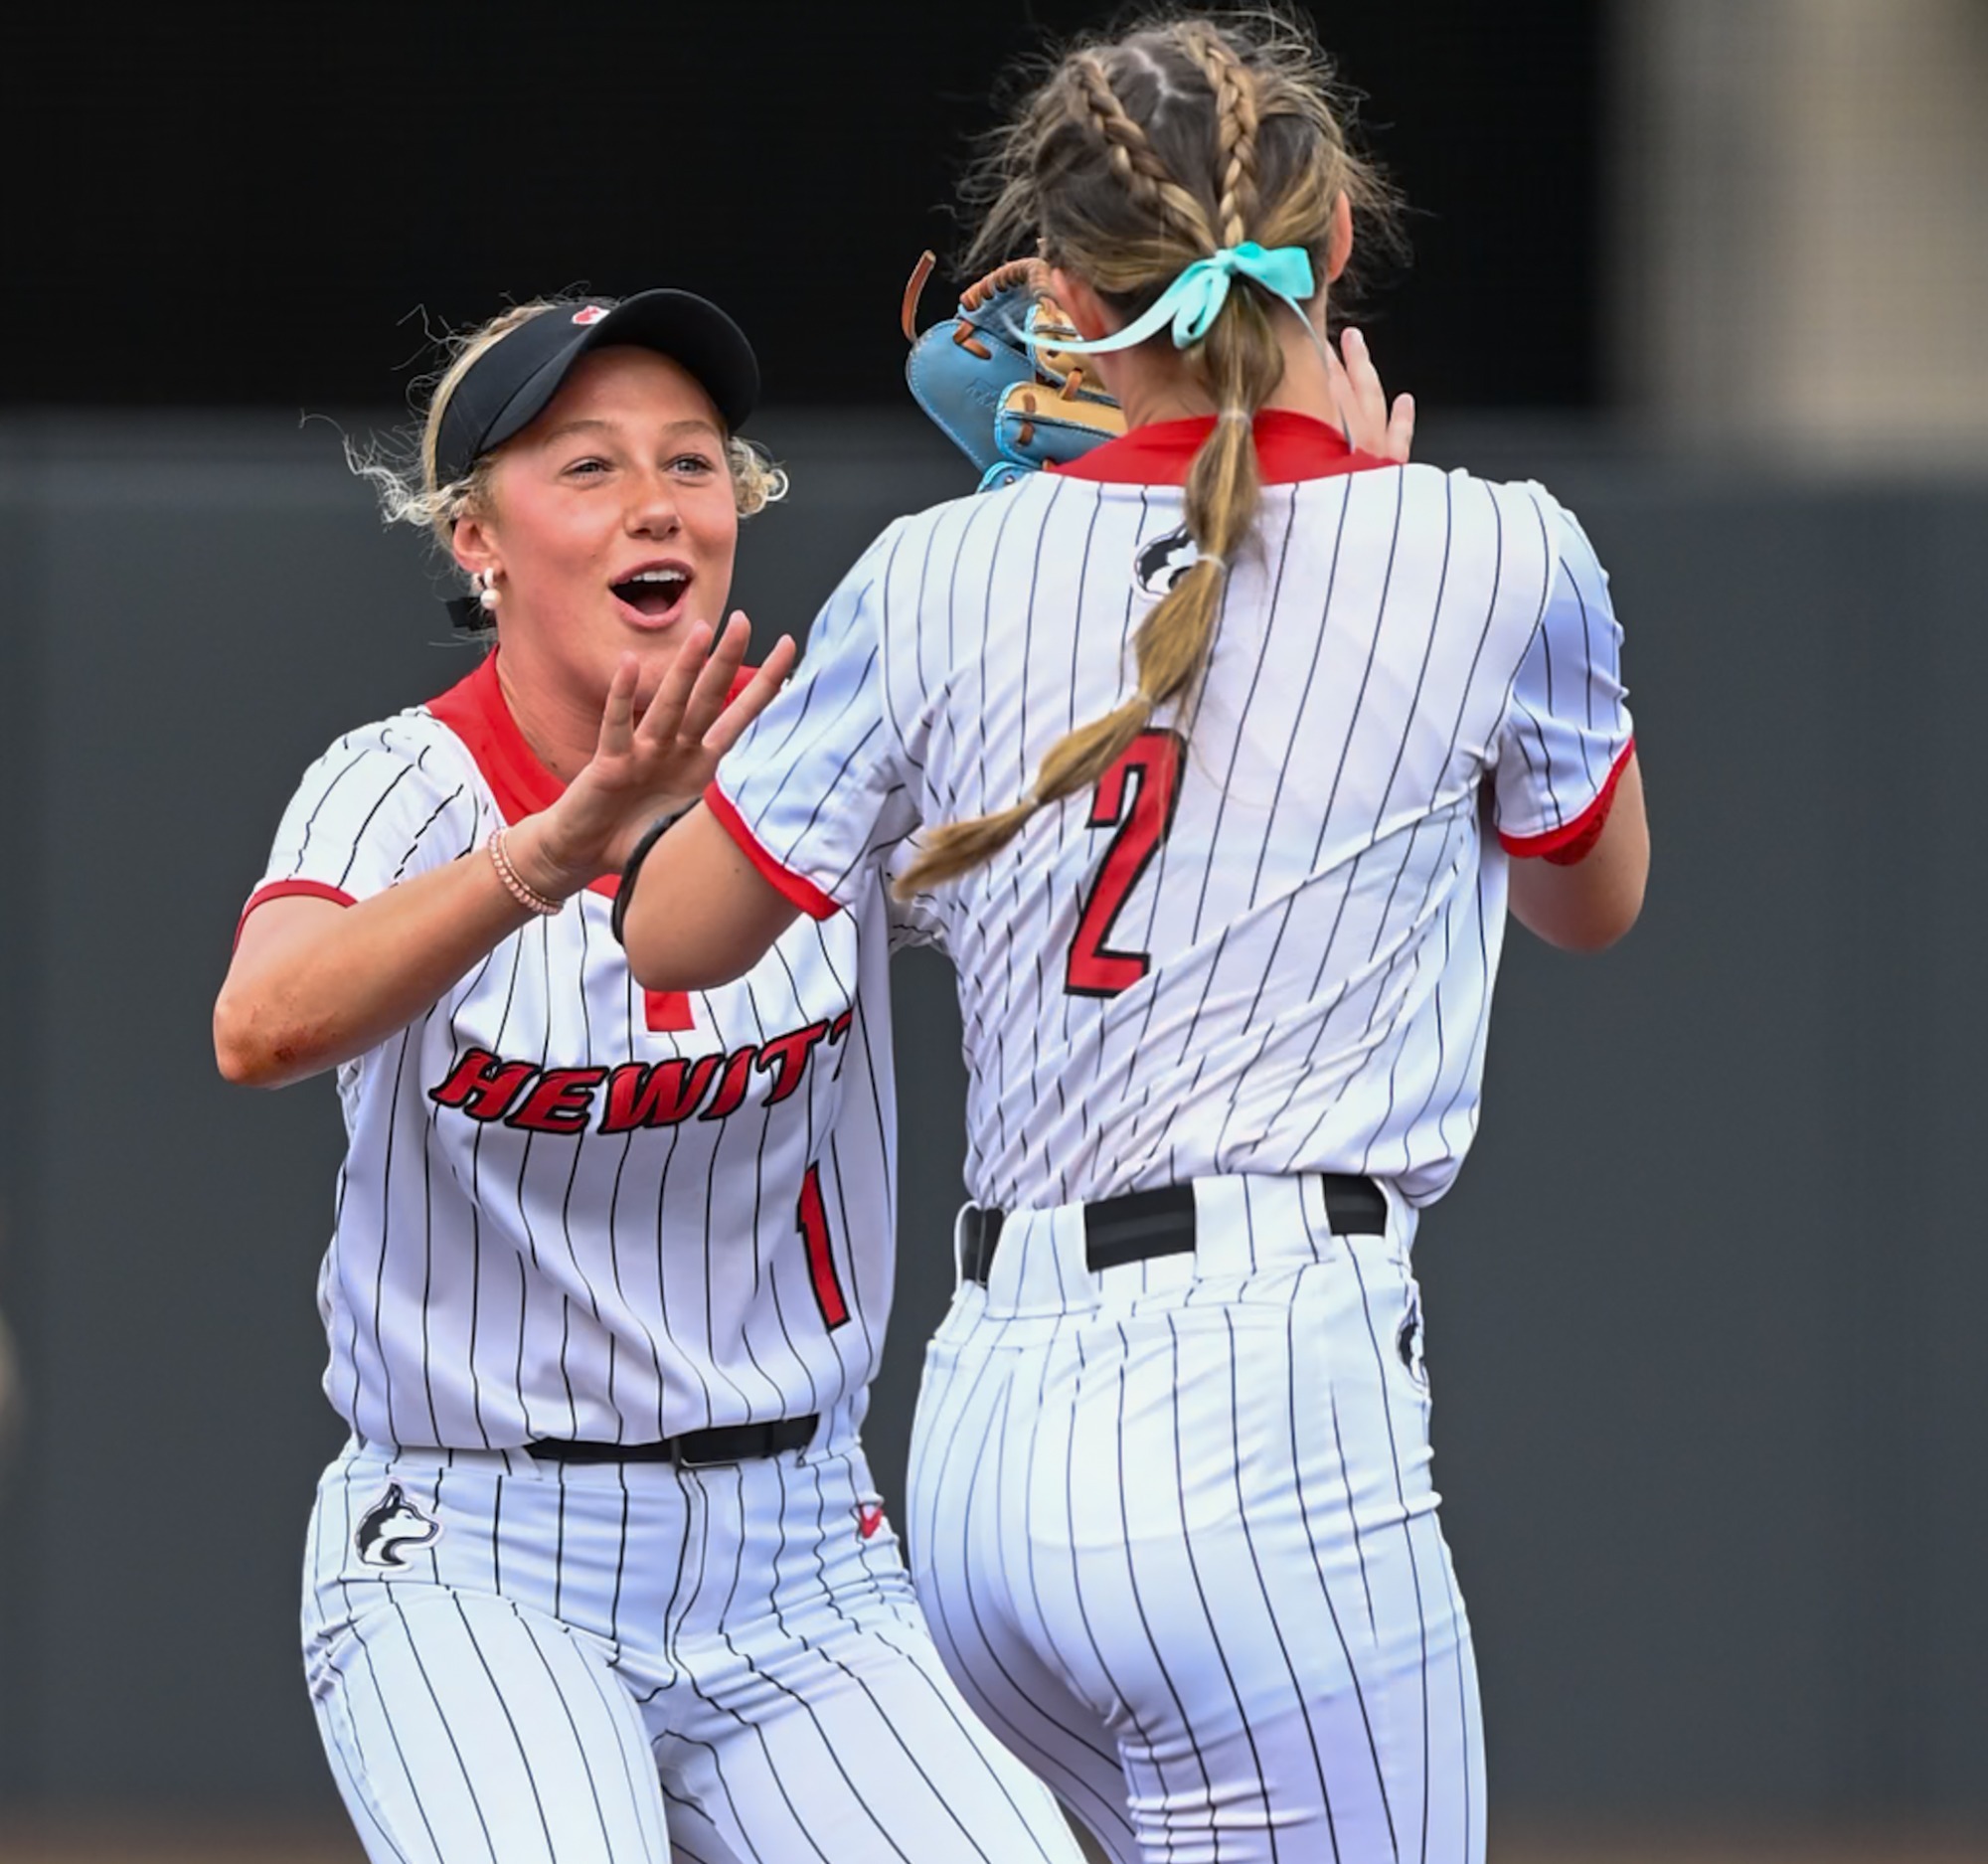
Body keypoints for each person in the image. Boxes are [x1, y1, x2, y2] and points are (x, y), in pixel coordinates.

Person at [611, 15, 1648, 1864]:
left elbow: (678, 930)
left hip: (988, 1437)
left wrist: (1021, 569)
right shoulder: (1493, 549)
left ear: (1061, 298)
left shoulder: (935, 571)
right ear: (1331, 254)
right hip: (1271, 1407)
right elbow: (1593, 900)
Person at [213, 290, 1085, 1864]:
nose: (656, 501)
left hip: (803, 1553)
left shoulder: (823, 763)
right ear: (475, 540)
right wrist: (550, 852)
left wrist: (1129, 514)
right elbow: (260, 1026)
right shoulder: (402, 784)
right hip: (473, 1552)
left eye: (693, 461)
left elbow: (1115, 831)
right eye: (588, 466)